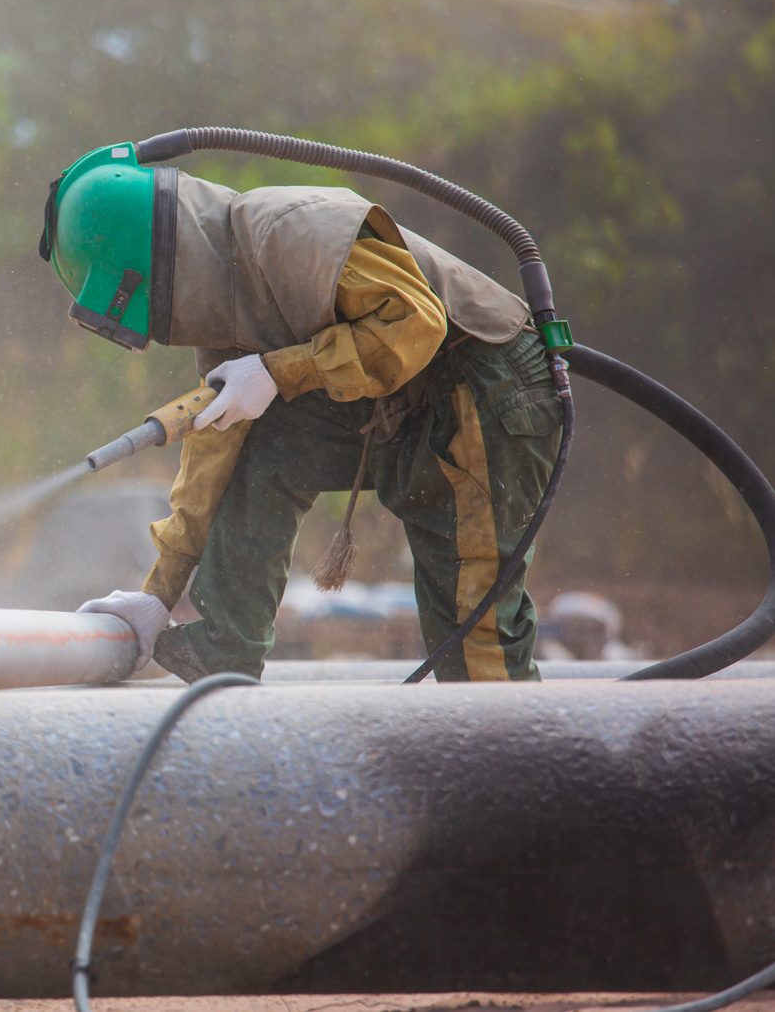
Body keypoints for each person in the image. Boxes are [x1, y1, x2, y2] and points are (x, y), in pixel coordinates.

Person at [40, 141, 563, 681]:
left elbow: (415, 324)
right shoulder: (229, 313)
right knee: (253, 442)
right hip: (410, 399)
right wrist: (158, 597)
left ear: (153, 269)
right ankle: (225, 654)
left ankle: (514, 757)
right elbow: (213, 463)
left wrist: (279, 372)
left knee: (472, 637)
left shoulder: (286, 231)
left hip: (486, 382)